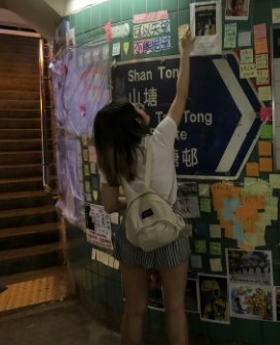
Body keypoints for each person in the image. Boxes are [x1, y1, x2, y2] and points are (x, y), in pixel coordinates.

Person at [93, 29, 194, 345]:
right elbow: (181, 95)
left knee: (134, 309)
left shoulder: (112, 158)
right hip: (168, 231)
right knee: (175, 308)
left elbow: (110, 206)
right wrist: (185, 52)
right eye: (135, 109)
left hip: (132, 234)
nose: (140, 109)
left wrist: (135, 202)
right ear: (132, 121)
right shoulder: (162, 137)